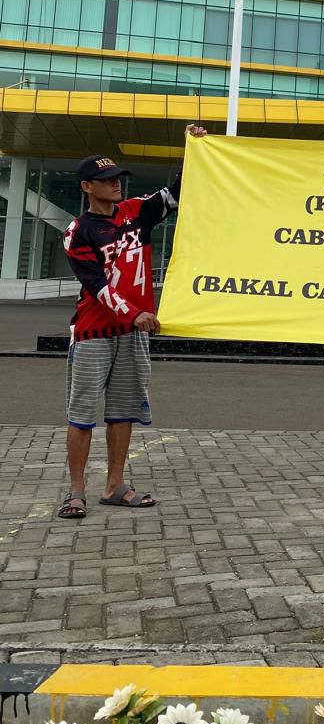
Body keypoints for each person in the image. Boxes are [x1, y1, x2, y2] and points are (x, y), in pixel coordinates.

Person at [57, 123, 207, 519]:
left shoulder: (136, 211)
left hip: (133, 332)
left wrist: (194, 150)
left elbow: (176, 193)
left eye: (117, 178)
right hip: (93, 332)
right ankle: (76, 491)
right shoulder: (78, 232)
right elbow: (96, 285)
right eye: (107, 180)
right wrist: (134, 312)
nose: (116, 184)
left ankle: (115, 486)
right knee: (82, 414)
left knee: (122, 412)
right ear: (87, 187)